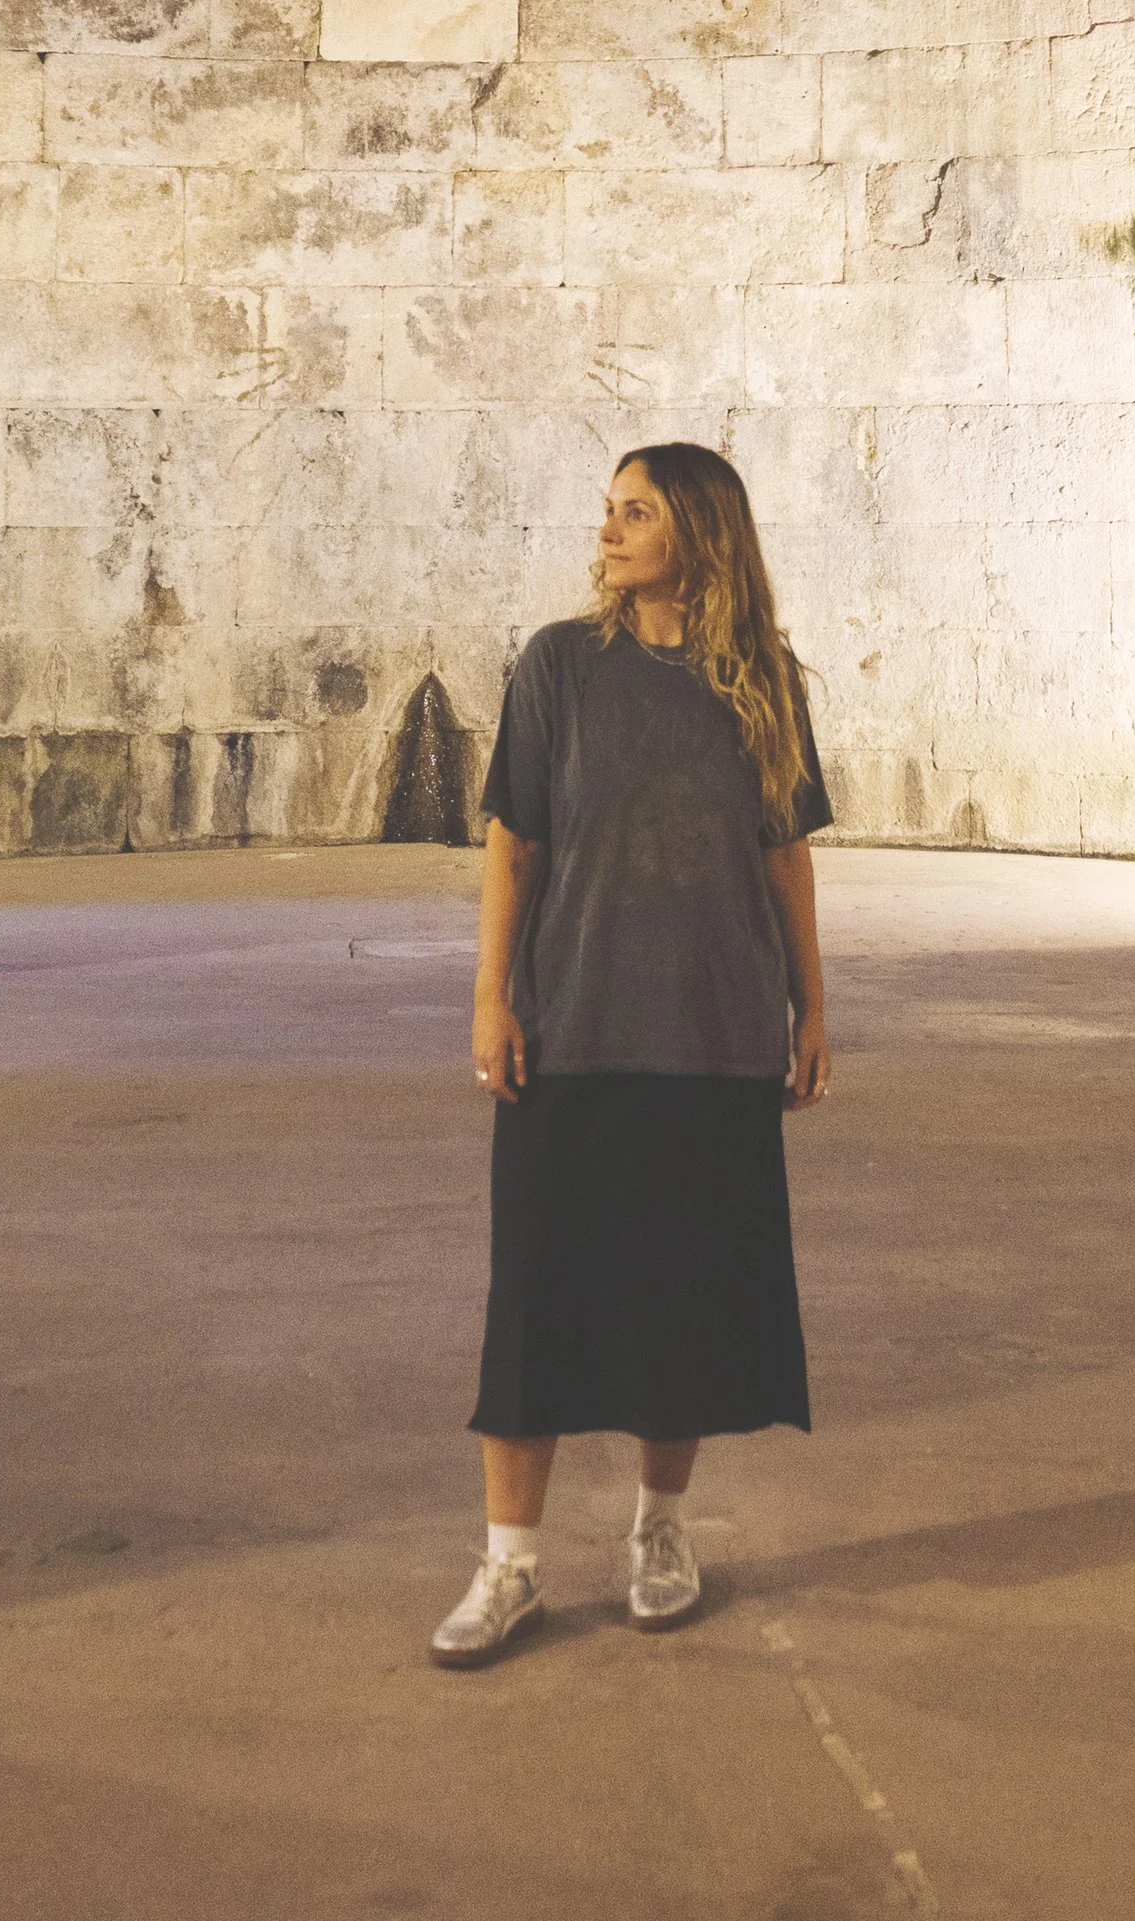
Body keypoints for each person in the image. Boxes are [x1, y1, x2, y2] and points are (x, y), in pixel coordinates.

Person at [431, 440, 832, 1668]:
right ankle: (508, 1567)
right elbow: (513, 843)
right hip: (575, 1030)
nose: (606, 530)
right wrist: (493, 995)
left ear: (698, 533)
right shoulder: (559, 666)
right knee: (536, 1303)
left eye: (635, 511)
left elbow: (783, 854)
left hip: (712, 1034)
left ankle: (661, 1531)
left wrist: (812, 1005)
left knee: (683, 1307)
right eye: (607, 509)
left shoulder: (761, 680)